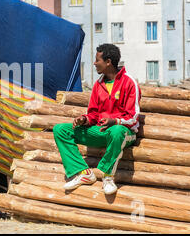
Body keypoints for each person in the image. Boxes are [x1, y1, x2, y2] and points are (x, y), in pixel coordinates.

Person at [53, 43, 141, 195]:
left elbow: (133, 117)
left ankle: (108, 177)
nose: (94, 63)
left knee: (117, 131)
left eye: (97, 60)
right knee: (60, 130)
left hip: (124, 133)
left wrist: (115, 121)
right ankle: (83, 173)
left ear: (108, 62)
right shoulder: (98, 85)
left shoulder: (129, 82)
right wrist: (84, 119)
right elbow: (93, 114)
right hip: (101, 131)